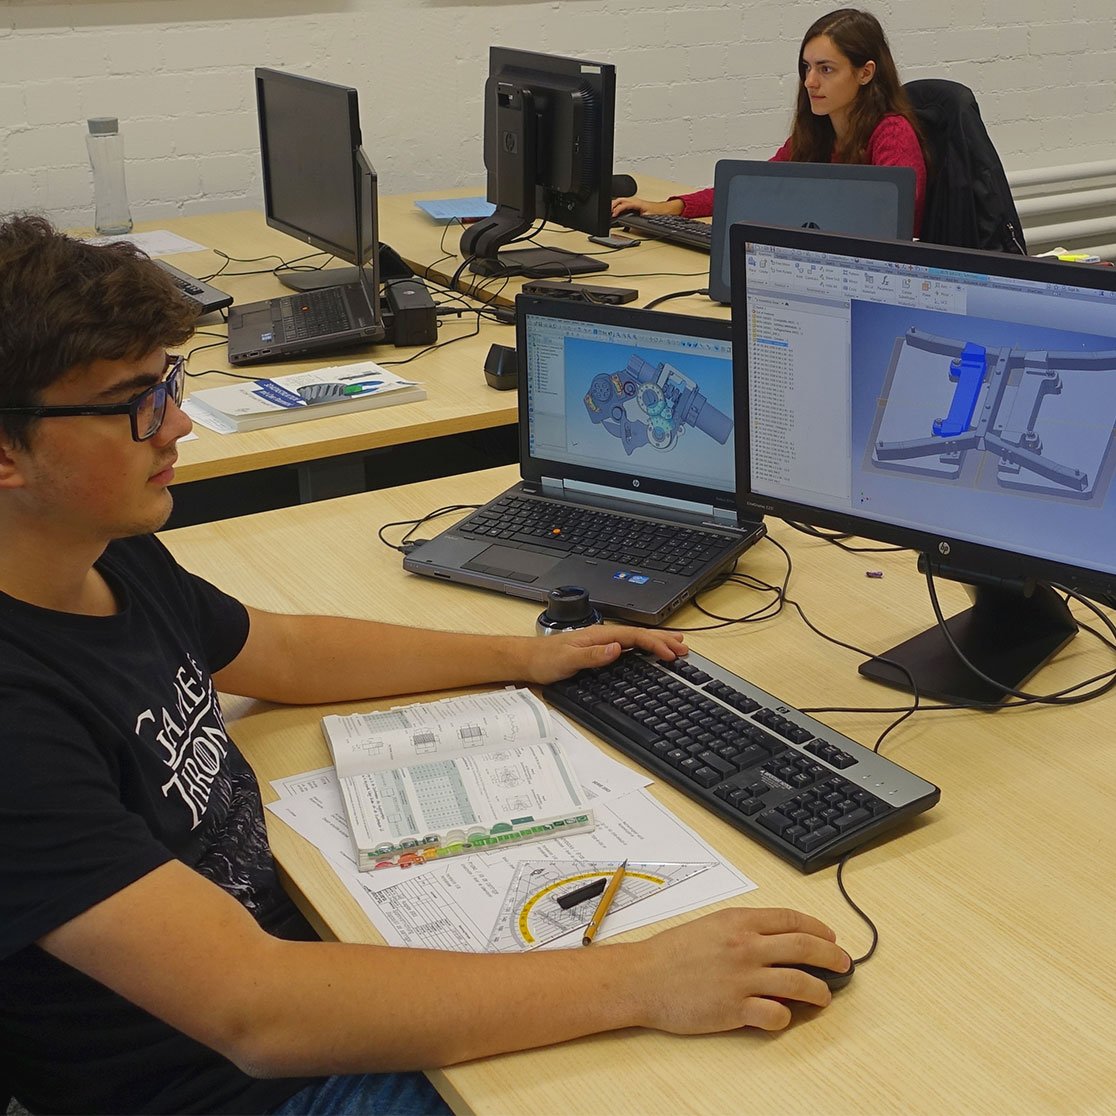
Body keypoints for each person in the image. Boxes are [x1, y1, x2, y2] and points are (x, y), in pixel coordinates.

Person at [0, 213, 851, 1116]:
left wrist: (524, 658)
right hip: (243, 1083)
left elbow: (279, 649)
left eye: (166, 383)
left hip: (301, 962)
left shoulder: (100, 551)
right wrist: (643, 979)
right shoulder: (15, 716)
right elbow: (254, 1012)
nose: (176, 424)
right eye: (135, 402)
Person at [613, 8, 927, 235]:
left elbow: (890, 220)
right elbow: (751, 189)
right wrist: (669, 208)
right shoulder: (817, 132)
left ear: (865, 73)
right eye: (807, 67)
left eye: (826, 69)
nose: (810, 82)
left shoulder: (892, 133)